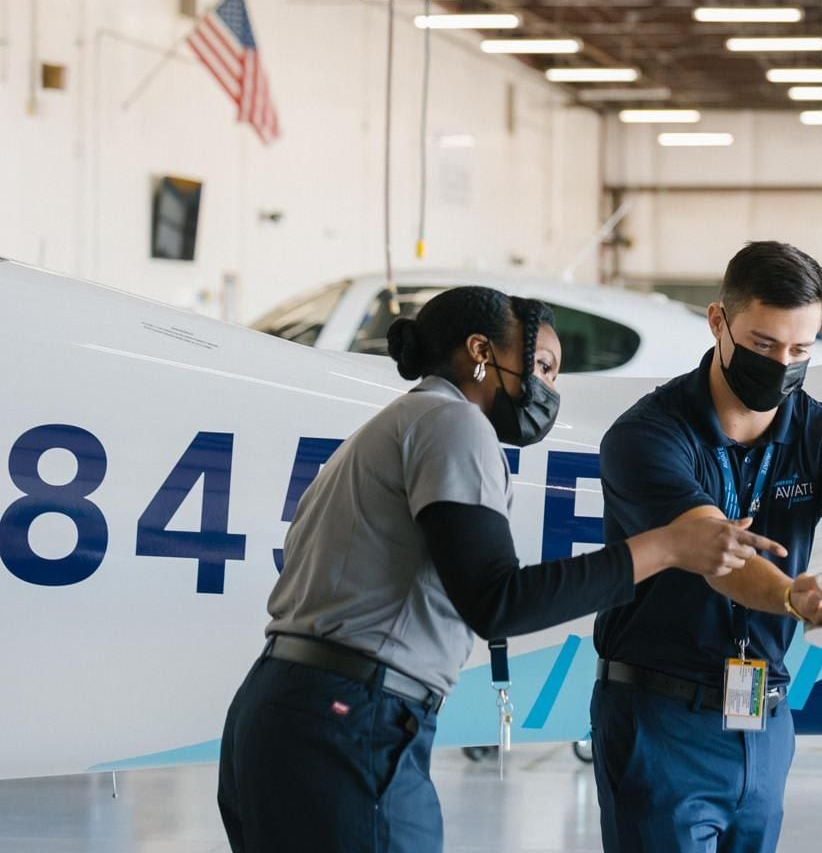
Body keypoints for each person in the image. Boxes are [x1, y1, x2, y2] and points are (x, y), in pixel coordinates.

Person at [217, 285, 783, 853]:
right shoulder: (452, 424)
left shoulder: (391, 427)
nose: (548, 389)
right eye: (540, 366)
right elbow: (497, 601)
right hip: (349, 719)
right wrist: (663, 548)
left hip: (281, 709)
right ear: (479, 352)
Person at [590, 241, 822, 853]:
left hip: (763, 715)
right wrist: (792, 597)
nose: (781, 364)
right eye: (762, 345)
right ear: (718, 321)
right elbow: (716, 555)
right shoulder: (648, 436)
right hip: (660, 715)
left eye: (800, 350)